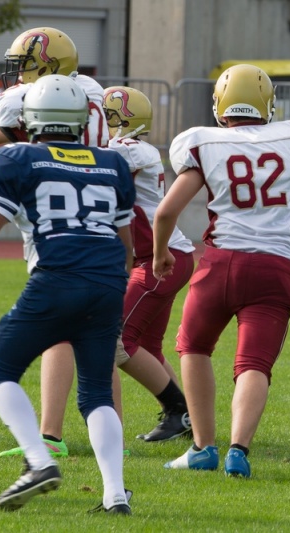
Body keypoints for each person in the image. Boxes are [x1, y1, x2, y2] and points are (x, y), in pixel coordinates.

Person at [0, 74, 135, 513]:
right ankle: (115, 495)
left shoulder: (19, 158)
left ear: (32, 118)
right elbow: (127, 246)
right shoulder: (112, 163)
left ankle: (39, 462)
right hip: (107, 283)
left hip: (57, 277)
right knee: (97, 392)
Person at [152, 64, 290, 478]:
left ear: (219, 104)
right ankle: (238, 452)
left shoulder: (203, 142)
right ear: (269, 106)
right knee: (253, 364)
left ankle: (202, 447)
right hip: (275, 265)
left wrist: (161, 253)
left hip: (221, 262)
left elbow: (166, 212)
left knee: (194, 348)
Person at [0, 26, 116, 458]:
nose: (17, 74)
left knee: (60, 329)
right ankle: (112, 442)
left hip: (51, 212)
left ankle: (50, 436)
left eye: (23, 65)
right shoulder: (91, 89)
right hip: (98, 201)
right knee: (100, 333)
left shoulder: (25, 97)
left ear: (46, 65)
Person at [103, 85, 195, 441]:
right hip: (165, 257)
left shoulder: (127, 150)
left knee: (115, 341)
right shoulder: (134, 149)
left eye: (104, 117)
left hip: (160, 259)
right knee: (149, 347)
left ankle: (180, 412)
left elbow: (97, 161)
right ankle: (186, 419)